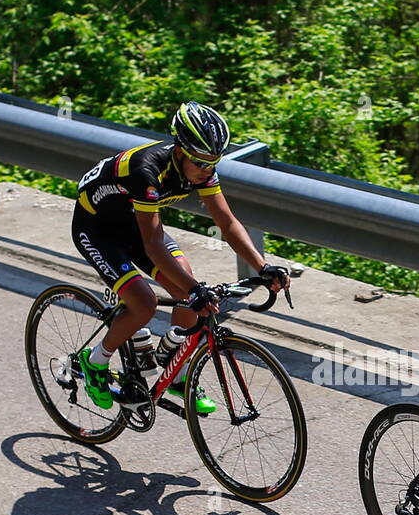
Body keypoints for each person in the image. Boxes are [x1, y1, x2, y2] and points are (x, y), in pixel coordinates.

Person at [71, 101, 289, 413]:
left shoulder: (202, 171)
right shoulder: (146, 171)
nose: (207, 169)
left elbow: (227, 223)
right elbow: (153, 245)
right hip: (97, 229)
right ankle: (95, 362)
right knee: (145, 302)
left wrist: (263, 266)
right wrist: (194, 290)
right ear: (180, 150)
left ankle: (177, 373)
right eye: (200, 161)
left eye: (214, 162)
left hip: (136, 225)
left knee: (188, 292)